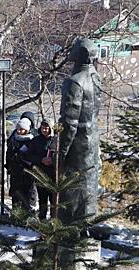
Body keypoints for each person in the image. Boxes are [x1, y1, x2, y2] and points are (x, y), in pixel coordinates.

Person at [58, 38, 101, 224]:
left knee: (73, 186)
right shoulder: (96, 78)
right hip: (92, 139)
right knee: (88, 182)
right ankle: (87, 220)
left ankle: (73, 226)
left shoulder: (75, 82)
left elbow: (69, 122)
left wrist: (61, 151)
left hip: (77, 144)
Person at [27, 118, 56, 220]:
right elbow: (29, 156)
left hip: (54, 175)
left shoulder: (57, 140)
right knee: (42, 199)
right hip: (40, 173)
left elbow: (63, 156)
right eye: (43, 127)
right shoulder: (35, 141)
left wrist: (53, 161)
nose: (45, 130)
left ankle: (54, 220)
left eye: (47, 128)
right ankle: (42, 220)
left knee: (54, 200)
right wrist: (41, 159)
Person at [6, 118, 34, 211]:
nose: (19, 131)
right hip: (15, 170)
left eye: (22, 129)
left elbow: (32, 155)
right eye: (18, 129)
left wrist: (22, 156)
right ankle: (15, 212)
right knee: (15, 193)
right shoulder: (13, 139)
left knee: (26, 193)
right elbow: (8, 152)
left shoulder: (31, 140)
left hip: (27, 171)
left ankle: (26, 213)